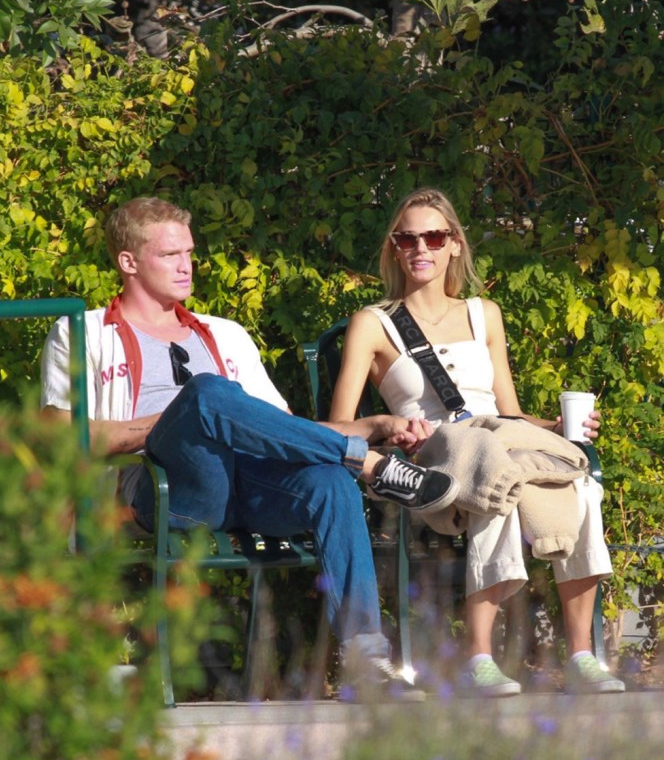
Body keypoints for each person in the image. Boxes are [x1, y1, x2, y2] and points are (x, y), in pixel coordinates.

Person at [40, 195, 459, 701]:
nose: (186, 265)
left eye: (189, 253)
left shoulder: (226, 334)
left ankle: (366, 658)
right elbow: (61, 436)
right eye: (170, 255)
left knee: (327, 482)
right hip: (172, 490)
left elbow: (280, 429)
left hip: (254, 486)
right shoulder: (83, 332)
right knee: (207, 394)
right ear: (128, 262)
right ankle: (364, 463)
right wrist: (176, 419)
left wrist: (374, 422)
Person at [330, 187, 625, 697]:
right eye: (407, 238)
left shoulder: (483, 313)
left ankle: (581, 654)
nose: (420, 248)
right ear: (394, 248)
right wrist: (384, 425)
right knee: (493, 480)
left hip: (496, 437)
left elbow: (507, 413)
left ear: (454, 245)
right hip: (431, 456)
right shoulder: (372, 323)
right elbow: (336, 428)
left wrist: (554, 429)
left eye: (434, 236)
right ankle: (479, 658)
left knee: (580, 485)